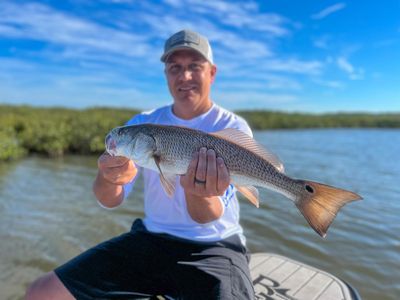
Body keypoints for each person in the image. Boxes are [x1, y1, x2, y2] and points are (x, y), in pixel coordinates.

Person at [26, 29, 255, 300]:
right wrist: (110, 178)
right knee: (41, 292)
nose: (184, 76)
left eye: (195, 66)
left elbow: (207, 216)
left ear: (212, 72)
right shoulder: (141, 123)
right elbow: (109, 200)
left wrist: (197, 192)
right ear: (166, 74)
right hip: (150, 239)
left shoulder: (232, 127)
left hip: (215, 245)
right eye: (175, 68)